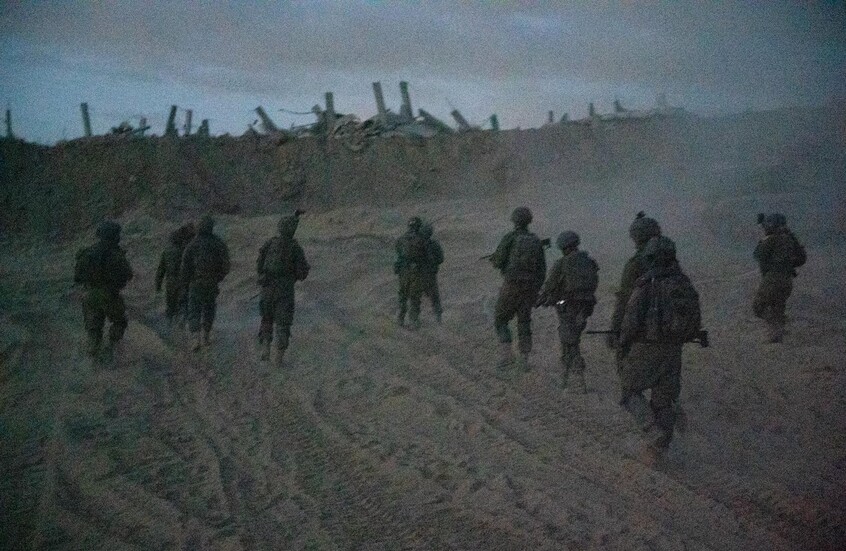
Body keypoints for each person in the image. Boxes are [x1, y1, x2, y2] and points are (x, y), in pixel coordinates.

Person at [618, 236, 701, 454]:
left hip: (647, 347)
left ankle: (651, 431)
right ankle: (660, 447)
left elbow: (631, 320)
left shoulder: (647, 284)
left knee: (629, 392)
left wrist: (623, 344)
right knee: (664, 401)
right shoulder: (683, 283)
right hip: (674, 349)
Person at [536, 231, 599, 393]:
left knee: (571, 343)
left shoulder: (562, 264)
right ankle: (564, 378)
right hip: (585, 309)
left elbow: (550, 286)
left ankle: (578, 382)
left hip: (568, 308)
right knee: (569, 340)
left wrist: (543, 299)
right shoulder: (589, 262)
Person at [488, 207, 547, 369]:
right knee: (524, 322)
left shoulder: (509, 238)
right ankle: (525, 359)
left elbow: (498, 261)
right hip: (529, 289)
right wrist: (535, 288)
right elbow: (542, 269)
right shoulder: (536, 240)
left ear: (514, 221)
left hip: (511, 286)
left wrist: (494, 260)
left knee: (500, 319)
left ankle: (507, 356)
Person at [73, 220, 134, 362]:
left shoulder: (86, 253)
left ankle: (93, 356)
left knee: (93, 329)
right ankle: (111, 349)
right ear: (114, 236)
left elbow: (77, 277)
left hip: (90, 296)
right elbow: (128, 275)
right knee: (119, 322)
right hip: (110, 295)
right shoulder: (117, 255)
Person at [256, 212, 310, 364]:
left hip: (267, 288)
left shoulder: (270, 243)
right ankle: (278, 357)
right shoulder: (295, 248)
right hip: (285, 290)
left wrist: (263, 277)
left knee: (266, 318)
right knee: (283, 322)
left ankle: (265, 349)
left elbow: (259, 264)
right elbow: (302, 273)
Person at [608, 211, 662, 352]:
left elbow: (624, 299)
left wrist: (615, 329)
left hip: (642, 334)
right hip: (671, 333)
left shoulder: (635, 264)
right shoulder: (670, 261)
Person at [753, 213, 806, 343]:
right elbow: (801, 258)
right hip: (787, 279)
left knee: (759, 306)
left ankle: (776, 327)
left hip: (773, 278)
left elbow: (758, 254)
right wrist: (787, 263)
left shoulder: (772, 239)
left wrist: (764, 240)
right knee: (777, 307)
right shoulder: (790, 239)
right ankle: (777, 336)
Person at [181, 215, 231, 351]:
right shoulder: (218, 243)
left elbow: (185, 266)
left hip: (195, 283)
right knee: (209, 308)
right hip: (211, 283)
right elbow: (226, 265)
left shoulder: (192, 244)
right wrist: (218, 277)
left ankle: (195, 339)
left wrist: (186, 282)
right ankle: (206, 336)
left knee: (194, 309)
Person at [155, 222, 195, 329]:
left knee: (170, 305)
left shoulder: (166, 251)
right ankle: (181, 323)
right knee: (183, 304)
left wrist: (158, 285)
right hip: (183, 282)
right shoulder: (185, 251)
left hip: (170, 282)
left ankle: (168, 327)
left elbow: (161, 270)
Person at [394, 216, 427, 329]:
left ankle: (400, 318)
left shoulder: (401, 239)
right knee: (415, 295)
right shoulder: (422, 240)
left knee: (403, 294)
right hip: (415, 270)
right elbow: (426, 256)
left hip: (403, 270)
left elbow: (398, 252)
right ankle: (413, 320)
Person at [419, 221, 444, 324]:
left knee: (415, 296)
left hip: (418, 274)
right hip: (431, 274)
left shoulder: (417, 244)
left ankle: (414, 318)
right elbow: (441, 259)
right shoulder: (434, 244)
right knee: (435, 297)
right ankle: (438, 318)